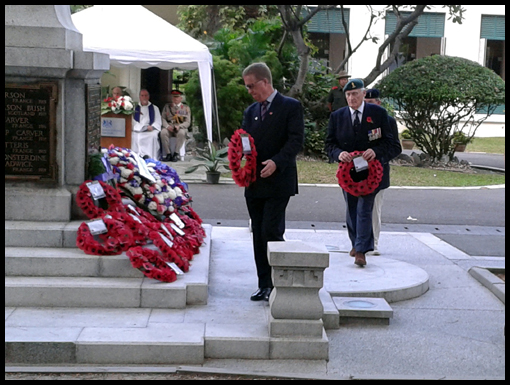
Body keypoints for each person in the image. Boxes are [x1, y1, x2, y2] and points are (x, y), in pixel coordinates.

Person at [241, 62, 304, 301]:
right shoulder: (251, 111)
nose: (249, 91)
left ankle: (280, 280)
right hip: (254, 182)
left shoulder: (290, 106)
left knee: (271, 230)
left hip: (279, 180)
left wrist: (277, 162)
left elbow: (295, 140)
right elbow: (244, 141)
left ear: (265, 82)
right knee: (258, 233)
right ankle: (264, 284)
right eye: (247, 87)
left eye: (251, 86)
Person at [325, 79, 400, 267]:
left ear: (363, 94)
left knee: (365, 209)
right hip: (348, 172)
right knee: (351, 209)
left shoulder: (378, 114)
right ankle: (355, 243)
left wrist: (376, 152)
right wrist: (338, 154)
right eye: (348, 95)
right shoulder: (337, 116)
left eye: (355, 94)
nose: (352, 98)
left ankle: (361, 251)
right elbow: (329, 144)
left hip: (371, 172)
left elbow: (391, 143)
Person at [364, 88, 402, 256]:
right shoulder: (356, 120)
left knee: (374, 209)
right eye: (365, 103)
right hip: (357, 172)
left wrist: (378, 160)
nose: (367, 106)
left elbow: (395, 147)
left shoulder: (387, 121)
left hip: (377, 172)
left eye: (371, 103)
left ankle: (373, 243)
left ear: (378, 103)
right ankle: (358, 242)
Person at [160, 90, 191, 162]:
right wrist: (167, 126)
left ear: (181, 98)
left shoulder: (185, 108)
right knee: (163, 132)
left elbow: (187, 122)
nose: (175, 99)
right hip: (170, 127)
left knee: (182, 133)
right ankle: (168, 154)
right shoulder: (167, 107)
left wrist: (180, 126)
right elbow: (163, 118)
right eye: (174, 97)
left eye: (177, 97)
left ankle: (176, 154)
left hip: (180, 128)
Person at [132, 89, 162, 160]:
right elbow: (132, 121)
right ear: (139, 97)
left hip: (150, 130)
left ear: (148, 97)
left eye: (146, 95)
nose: (144, 97)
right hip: (138, 129)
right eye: (142, 95)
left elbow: (158, 121)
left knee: (153, 136)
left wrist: (152, 126)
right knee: (133, 136)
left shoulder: (155, 108)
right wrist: (141, 127)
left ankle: (151, 157)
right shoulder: (134, 108)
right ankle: (136, 156)